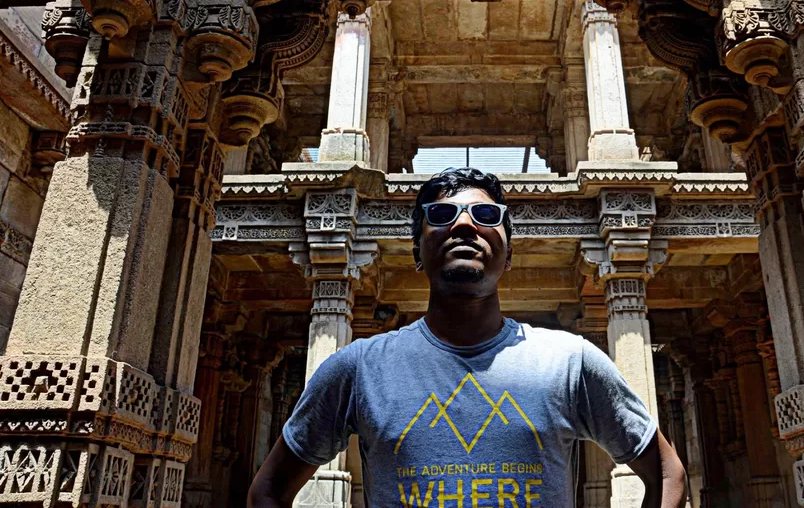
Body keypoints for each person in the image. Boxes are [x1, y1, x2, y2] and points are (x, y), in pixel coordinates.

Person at [248, 167, 687, 508]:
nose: (464, 225)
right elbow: (267, 490)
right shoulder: (359, 367)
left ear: (509, 254)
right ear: (417, 252)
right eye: (441, 215)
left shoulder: (569, 361)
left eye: (486, 216)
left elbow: (668, 473)